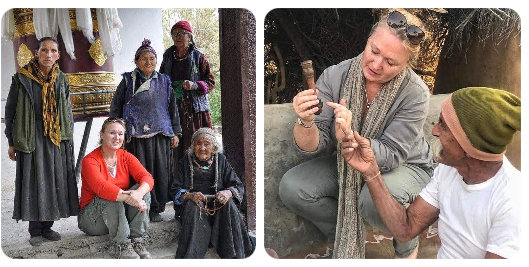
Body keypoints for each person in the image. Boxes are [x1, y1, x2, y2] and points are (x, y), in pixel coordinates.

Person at [278, 10, 433, 258]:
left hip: (406, 166)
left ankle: (406, 244)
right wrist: (305, 121)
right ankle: (345, 237)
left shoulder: (415, 93)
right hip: (346, 158)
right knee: (293, 187)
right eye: (374, 51)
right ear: (367, 41)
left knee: (371, 203)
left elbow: (392, 154)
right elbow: (315, 145)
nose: (376, 64)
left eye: (391, 62)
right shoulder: (334, 75)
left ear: (405, 65)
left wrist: (351, 136)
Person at [341, 87, 520, 259]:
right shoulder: (448, 170)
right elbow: (406, 229)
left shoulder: (512, 202)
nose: (434, 131)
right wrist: (371, 170)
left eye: (443, 125)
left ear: (469, 144)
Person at [5, 36, 79, 246]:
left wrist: (67, 137)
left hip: (56, 137)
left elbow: (67, 110)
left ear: (58, 55)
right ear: (36, 53)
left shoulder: (61, 78)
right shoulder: (22, 78)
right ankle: (35, 231)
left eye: (53, 51)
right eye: (44, 50)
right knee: (34, 181)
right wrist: (11, 141)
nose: (48, 54)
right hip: (31, 135)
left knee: (54, 180)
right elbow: (10, 111)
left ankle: (48, 227)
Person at [110, 38, 181, 222]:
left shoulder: (164, 81)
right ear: (136, 61)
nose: (148, 62)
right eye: (144, 59)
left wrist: (175, 132)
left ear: (156, 61)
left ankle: (156, 208)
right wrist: (118, 132)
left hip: (160, 135)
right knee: (141, 171)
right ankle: (140, 208)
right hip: (136, 136)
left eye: (152, 58)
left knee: (160, 171)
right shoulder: (127, 81)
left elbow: (172, 109)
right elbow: (116, 107)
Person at [170, 128, 254, 258]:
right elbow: (175, 190)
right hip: (195, 206)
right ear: (193, 146)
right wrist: (189, 195)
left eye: (206, 144)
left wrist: (227, 193)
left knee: (229, 204)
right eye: (198, 143)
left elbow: (236, 185)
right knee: (193, 207)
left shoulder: (221, 160)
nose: (202, 148)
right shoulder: (185, 162)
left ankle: (234, 255)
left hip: (217, 206)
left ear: (214, 147)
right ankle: (190, 257)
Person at [78, 117, 154, 259]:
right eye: (112, 133)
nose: (117, 138)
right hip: (93, 220)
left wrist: (138, 195)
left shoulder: (125, 156)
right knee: (110, 195)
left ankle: (137, 239)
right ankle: (122, 244)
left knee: (143, 189)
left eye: (120, 134)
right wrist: (131, 199)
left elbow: (147, 177)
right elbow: (102, 188)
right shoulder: (90, 161)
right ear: (102, 135)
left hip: (117, 215)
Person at [160, 20, 216, 155]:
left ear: (189, 37)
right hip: (174, 107)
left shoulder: (198, 57)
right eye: (174, 34)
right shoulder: (168, 56)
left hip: (195, 110)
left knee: (196, 144)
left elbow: (211, 82)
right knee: (176, 146)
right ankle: (180, 174)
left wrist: (195, 85)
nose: (177, 37)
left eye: (182, 34)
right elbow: (161, 80)